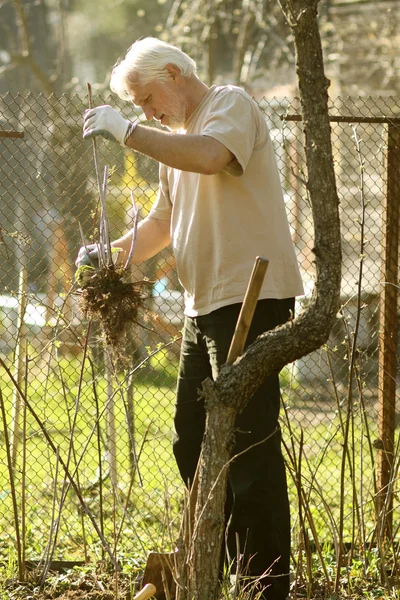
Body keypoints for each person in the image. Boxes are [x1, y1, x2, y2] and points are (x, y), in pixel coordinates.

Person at [78, 37, 304, 600]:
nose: (145, 113)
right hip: (207, 307)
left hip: (253, 299)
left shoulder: (229, 105)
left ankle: (267, 583)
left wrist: (129, 134)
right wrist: (111, 252)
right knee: (191, 439)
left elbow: (212, 157)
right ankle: (221, 566)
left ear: (174, 73)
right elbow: (160, 224)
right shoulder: (175, 142)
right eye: (137, 108)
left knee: (249, 445)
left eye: (147, 98)